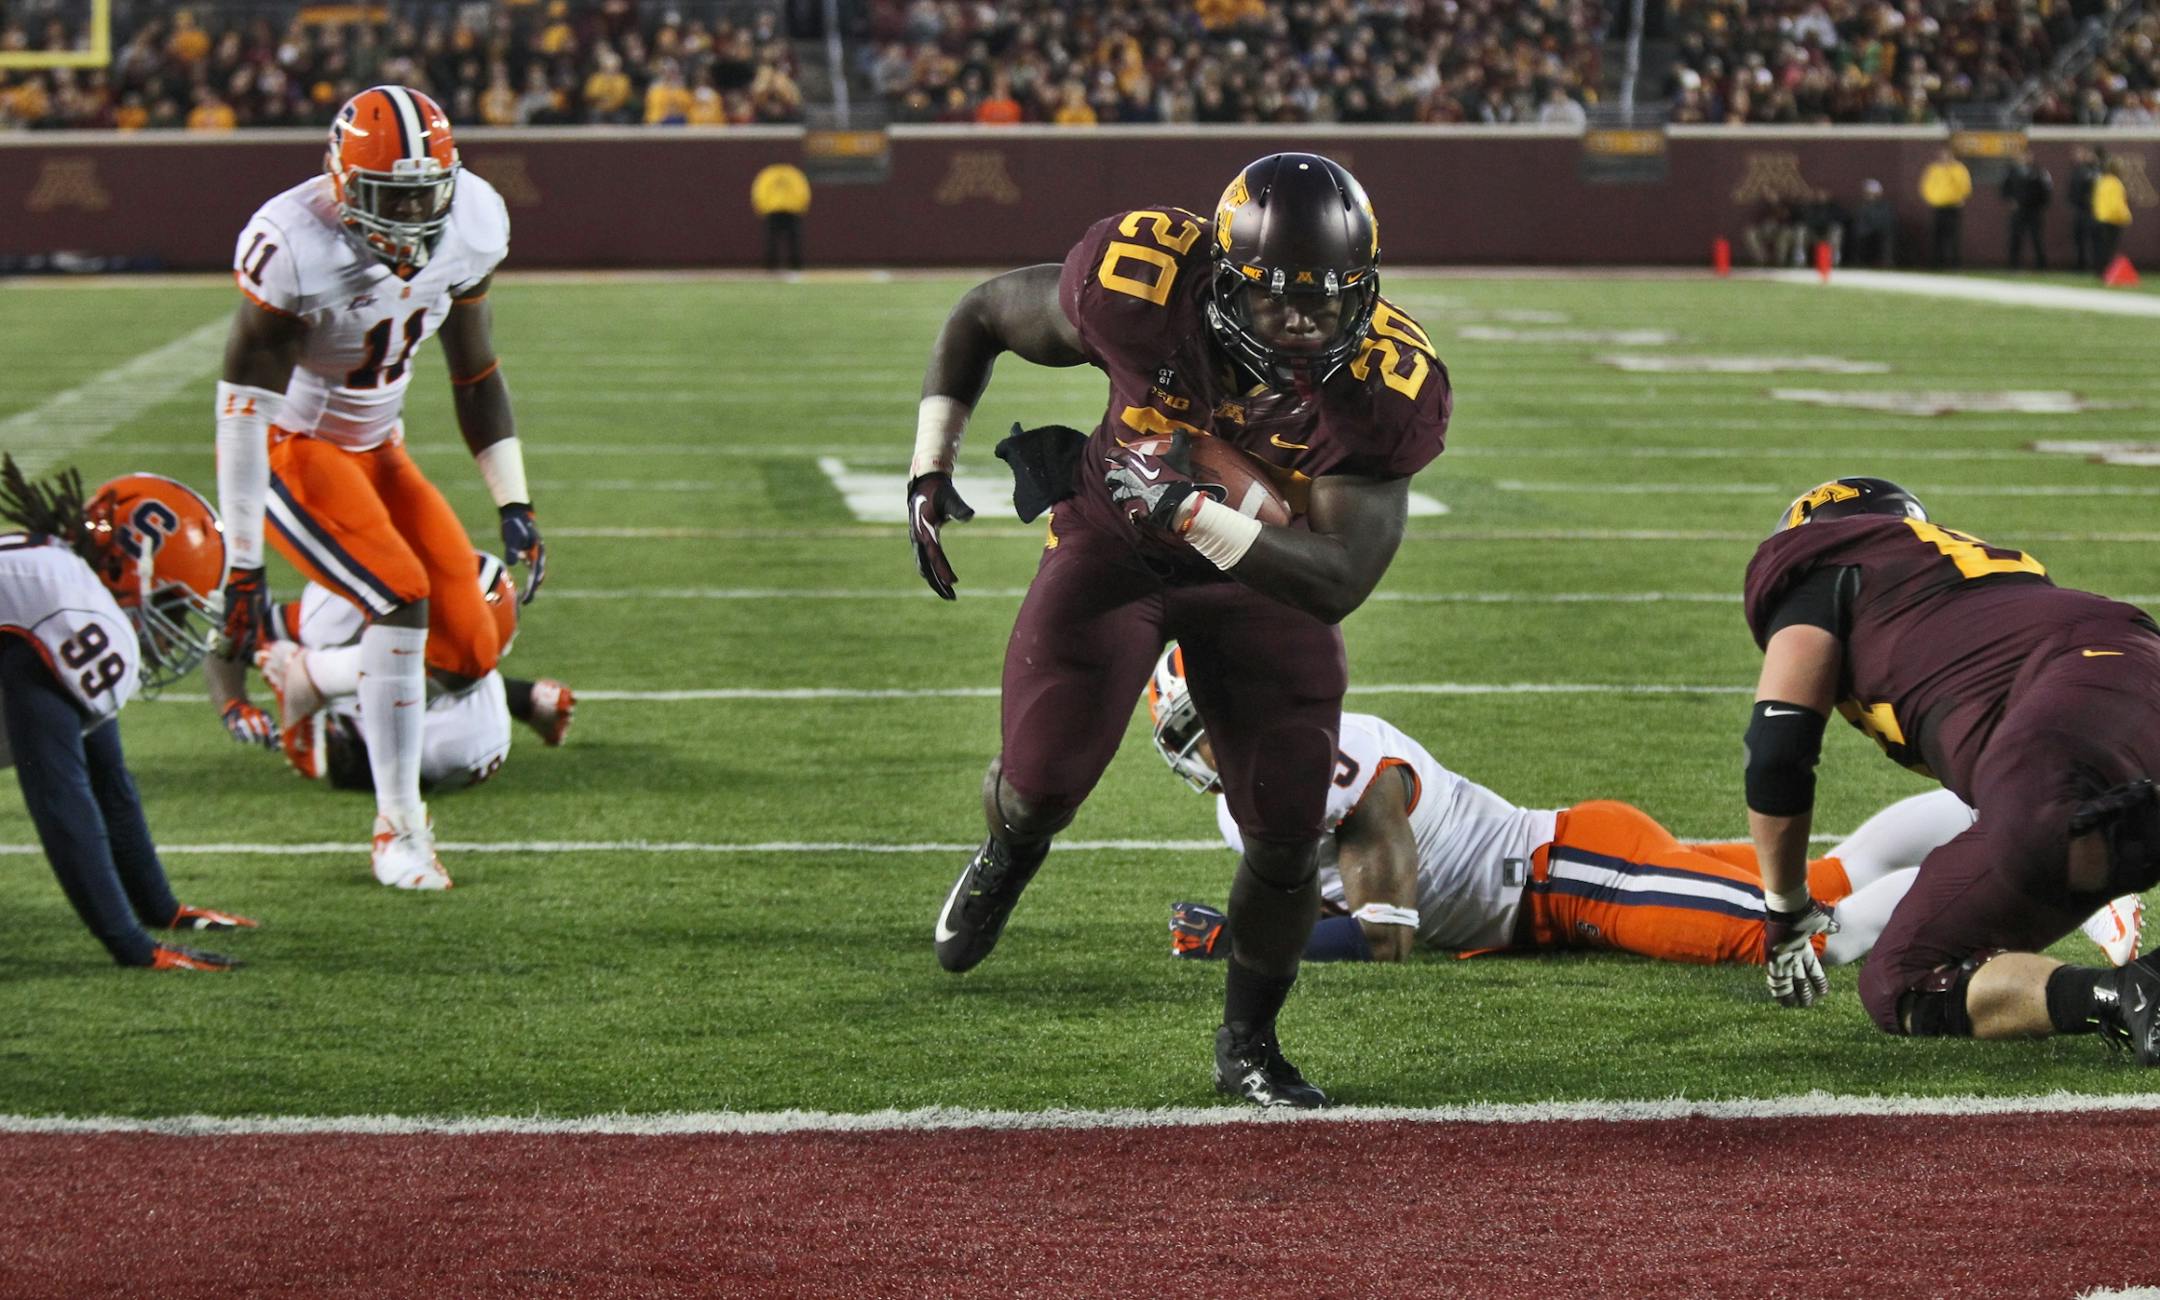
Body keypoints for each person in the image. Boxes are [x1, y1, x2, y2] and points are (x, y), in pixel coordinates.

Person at [909, 153, 1450, 1109]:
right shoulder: (1141, 284)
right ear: (1224, 279)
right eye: (1279, 297)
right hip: (1115, 553)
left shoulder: (1386, 385)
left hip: (1266, 584)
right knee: (1038, 788)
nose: (1304, 321)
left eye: (1329, 299)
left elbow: (1340, 580)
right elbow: (985, 312)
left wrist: (1192, 513)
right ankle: (1007, 854)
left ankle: (1250, 1045)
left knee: (1284, 837)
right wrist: (929, 463)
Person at [1146, 646, 2140, 969]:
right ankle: (2014, 831)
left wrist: (1252, 939)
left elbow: (1390, 926)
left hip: (1571, 874)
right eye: (1194, 736)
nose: (1212, 752)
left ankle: (2039, 866)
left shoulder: (1341, 752)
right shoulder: (1242, 808)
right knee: (1823, 879)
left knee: (1799, 937)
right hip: (1557, 880)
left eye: (1216, 724)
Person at [213, 85, 545, 893]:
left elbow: (476, 375)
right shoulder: (292, 243)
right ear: (342, 184)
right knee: (400, 596)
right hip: (297, 446)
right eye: (392, 197)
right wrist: (244, 560)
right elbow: (243, 409)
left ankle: (306, 674)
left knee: (469, 649)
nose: (413, 214)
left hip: (379, 446)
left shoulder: (471, 221)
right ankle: (399, 829)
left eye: (426, 192)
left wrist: (514, 501)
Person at [1742, 477, 2160, 1062]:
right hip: (2109, 681)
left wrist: (1786, 905)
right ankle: (2123, 994)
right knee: (1900, 980)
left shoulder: (1822, 566)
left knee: (2047, 839)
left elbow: (1777, 750)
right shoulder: (1949, 588)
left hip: (2080, 693)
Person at [0, 457, 255, 971]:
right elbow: (59, 799)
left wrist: (160, 910)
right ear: (128, 574)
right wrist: (132, 947)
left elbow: (107, 778)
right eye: (177, 608)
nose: (175, 629)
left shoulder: (64, 581)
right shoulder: (66, 607)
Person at [207, 552, 574, 795]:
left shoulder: (469, 739)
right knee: (378, 660)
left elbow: (354, 773)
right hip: (361, 666)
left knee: (358, 752)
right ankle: (530, 700)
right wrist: (233, 703)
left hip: (412, 730)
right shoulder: (345, 609)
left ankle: (311, 678)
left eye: (470, 668)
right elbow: (234, 632)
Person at [1918, 147, 1971, 270]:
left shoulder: (1959, 169)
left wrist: (1960, 197)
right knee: (1936, 236)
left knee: (1954, 236)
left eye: (1947, 155)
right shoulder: (1934, 169)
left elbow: (1964, 186)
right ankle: (1936, 263)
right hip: (1938, 206)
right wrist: (1932, 199)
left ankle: (1954, 264)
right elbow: (1926, 186)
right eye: (1942, 155)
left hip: (1953, 206)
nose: (1945, 158)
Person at [751, 161, 810, 271]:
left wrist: (761, 208)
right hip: (775, 212)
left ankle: (794, 266)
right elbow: (760, 192)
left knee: (792, 241)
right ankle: (771, 266)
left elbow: (759, 193)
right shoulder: (774, 174)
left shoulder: (786, 174)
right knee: (772, 241)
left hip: (789, 211)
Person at [2000, 148, 2053, 271]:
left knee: (2037, 238)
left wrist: (2040, 206)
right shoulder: (2011, 172)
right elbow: (2004, 189)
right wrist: (2011, 201)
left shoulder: (2039, 171)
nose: (2025, 158)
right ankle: (2013, 265)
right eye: (2022, 156)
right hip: (2018, 211)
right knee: (2015, 237)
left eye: (2027, 156)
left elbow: (2046, 190)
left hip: (2034, 211)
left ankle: (2041, 265)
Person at [2092, 157, 2132, 275]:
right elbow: (2117, 204)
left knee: (2101, 247)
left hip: (2101, 218)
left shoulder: (2101, 181)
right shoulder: (2116, 183)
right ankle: (2107, 271)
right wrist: (2125, 217)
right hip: (2113, 219)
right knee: (2109, 248)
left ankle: (2099, 270)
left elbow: (2096, 201)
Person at [1847, 179, 1896, 268]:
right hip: (1865, 232)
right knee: (1858, 236)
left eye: (1872, 192)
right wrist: (1866, 230)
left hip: (1881, 232)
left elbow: (1887, 221)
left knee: (1887, 238)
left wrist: (1875, 229)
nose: (1870, 195)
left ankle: (1886, 264)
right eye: (1868, 192)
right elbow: (1859, 221)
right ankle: (1859, 263)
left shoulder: (1885, 206)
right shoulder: (1862, 206)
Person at [2068, 147, 2103, 272]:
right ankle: (2081, 265)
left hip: (2094, 211)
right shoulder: (2077, 171)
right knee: (2079, 240)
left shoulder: (2098, 171)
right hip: (2080, 210)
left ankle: (2097, 265)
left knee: (2095, 240)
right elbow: (2072, 190)